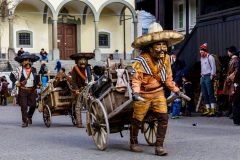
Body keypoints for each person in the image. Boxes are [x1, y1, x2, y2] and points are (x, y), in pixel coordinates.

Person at [130, 22, 187, 156]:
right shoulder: (141, 60)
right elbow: (137, 79)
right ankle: (133, 142)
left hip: (158, 92)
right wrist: (136, 92)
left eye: (164, 45)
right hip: (143, 93)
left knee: (163, 117)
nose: (162, 48)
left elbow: (168, 78)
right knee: (137, 119)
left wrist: (176, 90)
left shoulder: (166, 58)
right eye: (158, 46)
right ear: (150, 48)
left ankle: (159, 146)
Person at [10, 52, 40, 127]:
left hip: (31, 90)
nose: (28, 62)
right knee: (24, 106)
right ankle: (25, 121)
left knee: (33, 105)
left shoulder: (34, 70)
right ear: (22, 62)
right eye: (26, 60)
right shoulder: (19, 70)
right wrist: (17, 82)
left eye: (29, 60)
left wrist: (39, 83)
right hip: (22, 90)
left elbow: (36, 78)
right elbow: (11, 76)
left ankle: (29, 116)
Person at [70, 52, 95, 128]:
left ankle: (89, 122)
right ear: (77, 61)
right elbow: (73, 80)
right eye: (81, 60)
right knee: (78, 106)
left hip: (87, 88)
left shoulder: (88, 68)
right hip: (78, 89)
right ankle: (79, 122)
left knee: (89, 106)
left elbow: (91, 79)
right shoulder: (75, 69)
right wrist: (76, 89)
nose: (83, 61)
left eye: (84, 60)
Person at [199, 43, 216, 117]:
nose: (200, 52)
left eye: (201, 50)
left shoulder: (210, 57)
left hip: (208, 76)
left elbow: (213, 66)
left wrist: (212, 75)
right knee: (205, 94)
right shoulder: (202, 58)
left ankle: (212, 110)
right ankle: (208, 109)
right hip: (203, 76)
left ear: (204, 50)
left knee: (210, 93)